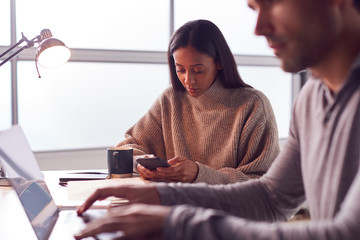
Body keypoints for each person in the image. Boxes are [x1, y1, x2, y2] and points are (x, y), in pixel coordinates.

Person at [75, 0, 360, 238]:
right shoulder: (311, 98)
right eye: (253, 8)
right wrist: (161, 197)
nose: (259, 28)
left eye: (272, 3)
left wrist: (176, 220)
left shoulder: (253, 104)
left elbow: (346, 232)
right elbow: (271, 198)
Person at [115, 19, 279, 184]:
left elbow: (263, 183)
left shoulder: (253, 106)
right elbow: (126, 147)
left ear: (219, 63)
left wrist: (199, 175)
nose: (188, 80)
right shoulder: (170, 100)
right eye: (180, 69)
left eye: (198, 70)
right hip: (174, 206)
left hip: (227, 208)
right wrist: (141, 164)